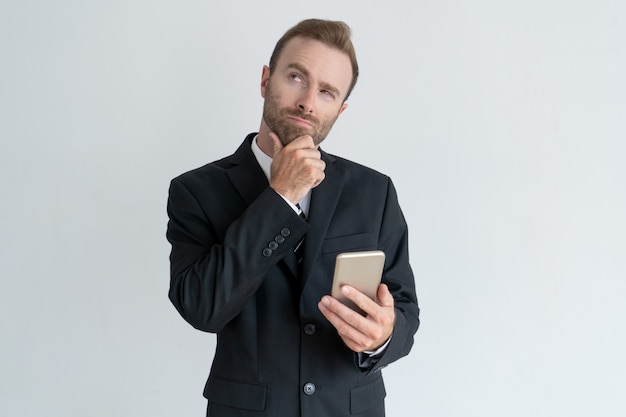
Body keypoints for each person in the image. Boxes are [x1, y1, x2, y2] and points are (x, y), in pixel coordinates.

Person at [166, 18, 420, 417]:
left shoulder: (374, 191)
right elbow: (202, 307)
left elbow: (404, 307)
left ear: (341, 109)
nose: (308, 102)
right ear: (266, 79)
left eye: (327, 92)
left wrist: (384, 335)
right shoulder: (195, 192)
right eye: (297, 77)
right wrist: (280, 197)